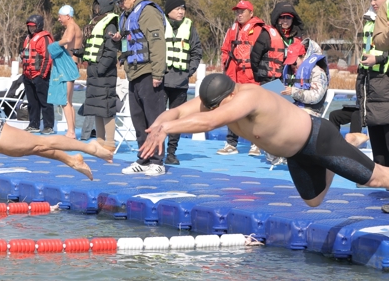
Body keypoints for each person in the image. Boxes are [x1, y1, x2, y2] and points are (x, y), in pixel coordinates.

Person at [140, 73, 389, 207]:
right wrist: (158, 126)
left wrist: (168, 128)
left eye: (219, 105)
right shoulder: (217, 100)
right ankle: (347, 146)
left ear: (231, 94)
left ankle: (342, 148)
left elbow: (209, 122)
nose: (214, 109)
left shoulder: (249, 97)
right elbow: (177, 112)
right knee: (314, 201)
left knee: (379, 179)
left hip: (319, 139)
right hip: (296, 154)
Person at [113, 0, 167, 176]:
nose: (120, 5)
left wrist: (158, 73)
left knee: (154, 119)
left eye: (122, 1)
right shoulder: (126, 16)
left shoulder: (148, 12)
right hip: (133, 73)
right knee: (138, 119)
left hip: (148, 72)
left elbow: (157, 43)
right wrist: (118, 40)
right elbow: (129, 41)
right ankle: (144, 159)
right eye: (119, 2)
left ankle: (157, 162)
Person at [218, 0, 284, 156]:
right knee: (231, 109)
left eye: (242, 11)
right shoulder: (232, 29)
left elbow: (262, 54)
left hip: (252, 77)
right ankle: (231, 143)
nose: (239, 14)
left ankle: (257, 143)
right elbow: (225, 50)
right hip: (233, 77)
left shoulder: (260, 30)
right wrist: (225, 68)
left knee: (254, 111)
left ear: (251, 13)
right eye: (237, 11)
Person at [161, 0, 202, 165]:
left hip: (180, 81)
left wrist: (189, 72)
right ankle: (156, 152)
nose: (181, 12)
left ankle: (171, 153)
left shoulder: (189, 27)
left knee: (177, 120)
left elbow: (196, 51)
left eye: (183, 8)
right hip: (161, 80)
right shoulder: (160, 25)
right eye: (177, 8)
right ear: (168, 11)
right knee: (158, 118)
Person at [357, 0, 389, 167]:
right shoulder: (369, 19)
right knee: (379, 152)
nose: (373, 3)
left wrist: (377, 59)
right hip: (371, 84)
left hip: (385, 83)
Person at [80, 0, 119, 149]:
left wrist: (100, 68)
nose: (95, 9)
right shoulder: (95, 23)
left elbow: (110, 50)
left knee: (106, 109)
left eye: (98, 6)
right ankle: (100, 140)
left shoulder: (110, 24)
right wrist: (80, 53)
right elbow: (92, 46)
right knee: (97, 108)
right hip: (94, 71)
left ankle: (110, 142)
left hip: (104, 74)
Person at [51, 5, 83, 138]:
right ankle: (72, 130)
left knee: (65, 100)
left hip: (68, 64)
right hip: (71, 63)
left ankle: (71, 131)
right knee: (68, 101)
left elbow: (68, 40)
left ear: (68, 16)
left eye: (60, 17)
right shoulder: (75, 27)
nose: (59, 19)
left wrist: (54, 45)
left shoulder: (71, 26)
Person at [21, 14, 54, 133]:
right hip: (27, 75)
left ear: (38, 26)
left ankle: (48, 126)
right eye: (29, 26)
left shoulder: (45, 38)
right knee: (32, 103)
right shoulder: (28, 38)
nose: (31, 28)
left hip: (40, 76)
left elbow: (47, 57)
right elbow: (25, 55)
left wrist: (42, 75)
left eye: (33, 26)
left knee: (45, 102)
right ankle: (33, 124)